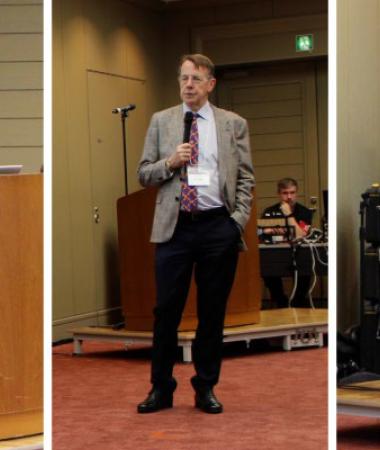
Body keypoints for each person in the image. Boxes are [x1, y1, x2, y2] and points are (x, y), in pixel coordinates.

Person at [136, 54, 254, 414]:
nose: (188, 84)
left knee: (212, 312)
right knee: (165, 310)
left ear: (210, 84)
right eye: (183, 78)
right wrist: (171, 162)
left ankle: (206, 387)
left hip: (218, 226)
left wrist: (236, 220)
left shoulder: (233, 124)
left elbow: (246, 176)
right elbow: (144, 174)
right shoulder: (162, 121)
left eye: (195, 79)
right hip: (175, 229)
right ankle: (161, 388)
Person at [261, 178, 312, 308]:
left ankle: (297, 302)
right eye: (285, 193)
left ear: (297, 193)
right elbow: (262, 232)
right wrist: (271, 231)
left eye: (292, 192)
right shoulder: (269, 211)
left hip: (298, 253)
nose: (289, 197)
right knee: (267, 268)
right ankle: (281, 302)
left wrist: (289, 215)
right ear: (279, 194)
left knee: (306, 268)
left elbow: (301, 235)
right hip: (275, 254)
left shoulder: (304, 212)